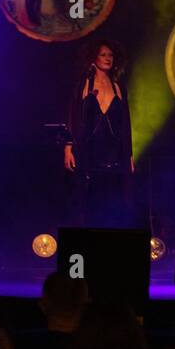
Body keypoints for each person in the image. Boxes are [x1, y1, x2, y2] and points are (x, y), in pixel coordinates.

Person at [65, 40, 136, 228]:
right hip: (89, 150)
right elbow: (73, 117)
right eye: (103, 55)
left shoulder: (118, 86)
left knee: (114, 200)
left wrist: (129, 154)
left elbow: (125, 124)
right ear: (93, 57)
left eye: (110, 55)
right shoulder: (84, 84)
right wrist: (68, 147)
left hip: (114, 151)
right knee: (88, 201)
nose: (107, 58)